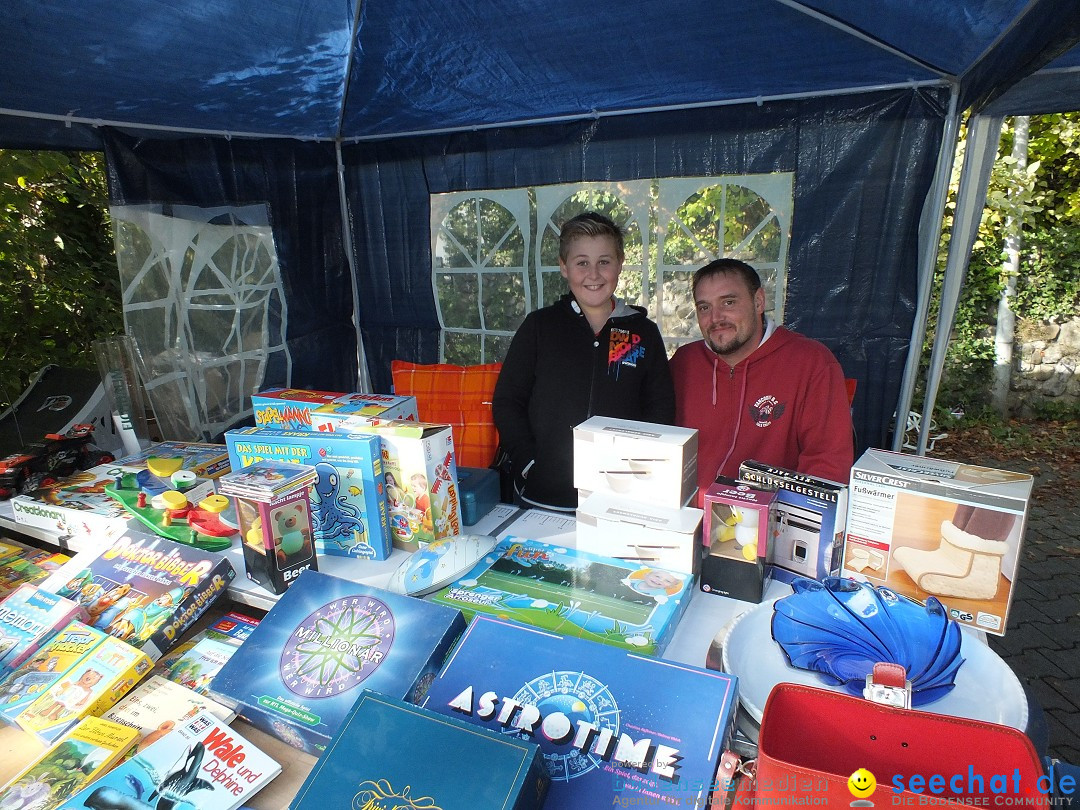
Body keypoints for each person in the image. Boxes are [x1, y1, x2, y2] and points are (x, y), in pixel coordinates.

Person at [493, 212, 676, 511]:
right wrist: (528, 461)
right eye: (582, 263)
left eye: (604, 261)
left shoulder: (643, 332)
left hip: (618, 498)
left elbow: (660, 408)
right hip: (542, 495)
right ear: (564, 268)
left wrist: (642, 470)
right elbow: (507, 400)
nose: (593, 274)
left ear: (619, 264)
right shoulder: (539, 327)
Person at [670, 258, 853, 504]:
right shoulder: (685, 362)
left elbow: (827, 465)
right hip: (685, 520)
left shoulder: (811, 362)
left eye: (729, 302)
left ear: (758, 302)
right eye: (704, 307)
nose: (716, 317)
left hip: (766, 528)